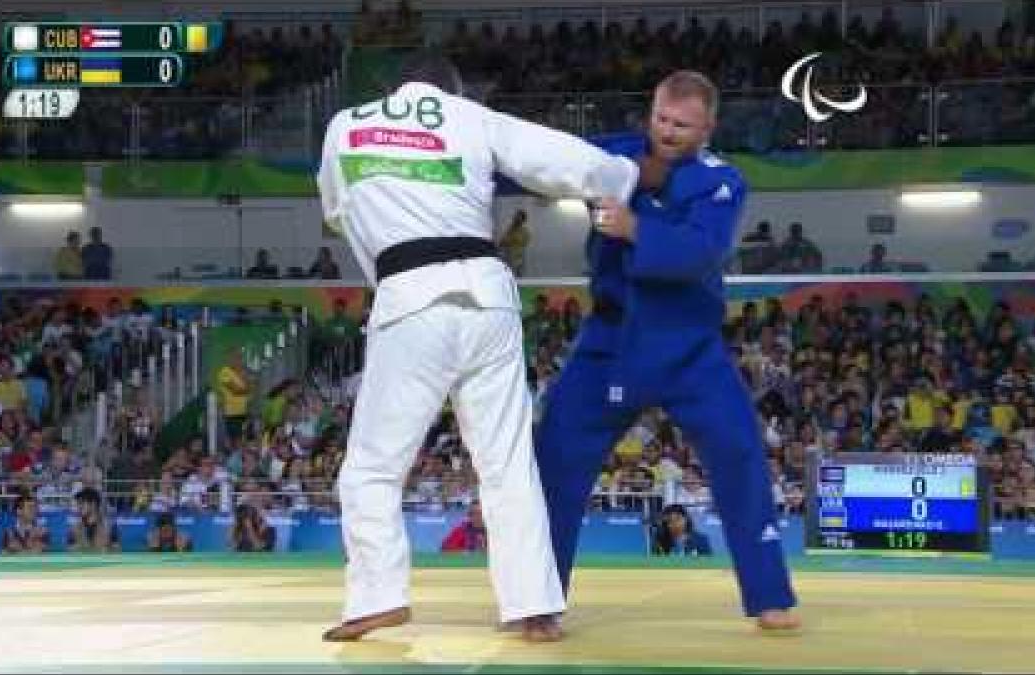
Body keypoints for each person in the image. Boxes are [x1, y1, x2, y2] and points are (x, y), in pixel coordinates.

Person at [316, 49, 644, 643]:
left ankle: (376, 596)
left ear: (401, 89)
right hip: (488, 294)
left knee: (372, 468)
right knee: (507, 464)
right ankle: (534, 608)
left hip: (409, 294)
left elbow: (340, 213)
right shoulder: (471, 117)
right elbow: (561, 158)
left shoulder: (347, 125)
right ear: (453, 88)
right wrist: (624, 178)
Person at [534, 70, 801, 632]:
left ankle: (769, 595)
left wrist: (634, 226)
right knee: (554, 461)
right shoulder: (615, 157)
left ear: (707, 126)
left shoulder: (722, 180)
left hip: (689, 346)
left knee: (739, 454)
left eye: (681, 124)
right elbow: (546, 156)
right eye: (660, 118)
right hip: (610, 338)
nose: (667, 131)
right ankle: (537, 601)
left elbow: (699, 252)